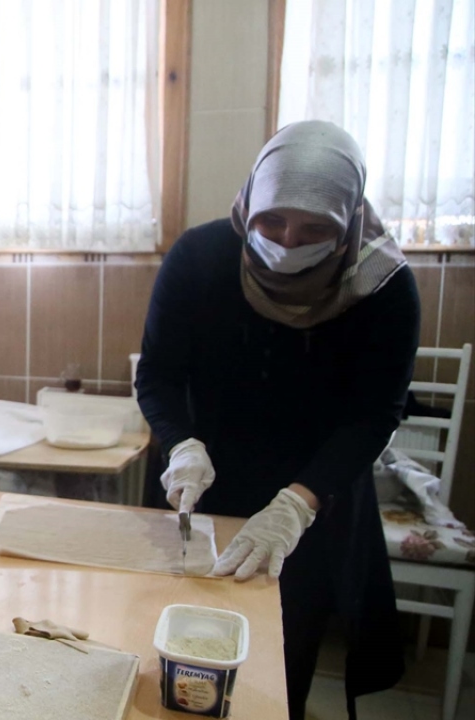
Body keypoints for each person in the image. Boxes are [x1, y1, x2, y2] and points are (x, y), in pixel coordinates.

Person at [136, 121, 417, 719]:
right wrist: (181, 444)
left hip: (314, 499)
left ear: (351, 223)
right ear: (249, 207)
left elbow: (375, 416)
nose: (289, 242)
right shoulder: (201, 258)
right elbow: (157, 375)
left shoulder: (384, 289)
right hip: (204, 486)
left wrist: (297, 504)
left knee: (278, 669)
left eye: (317, 230)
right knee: (176, 661)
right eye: (272, 222)